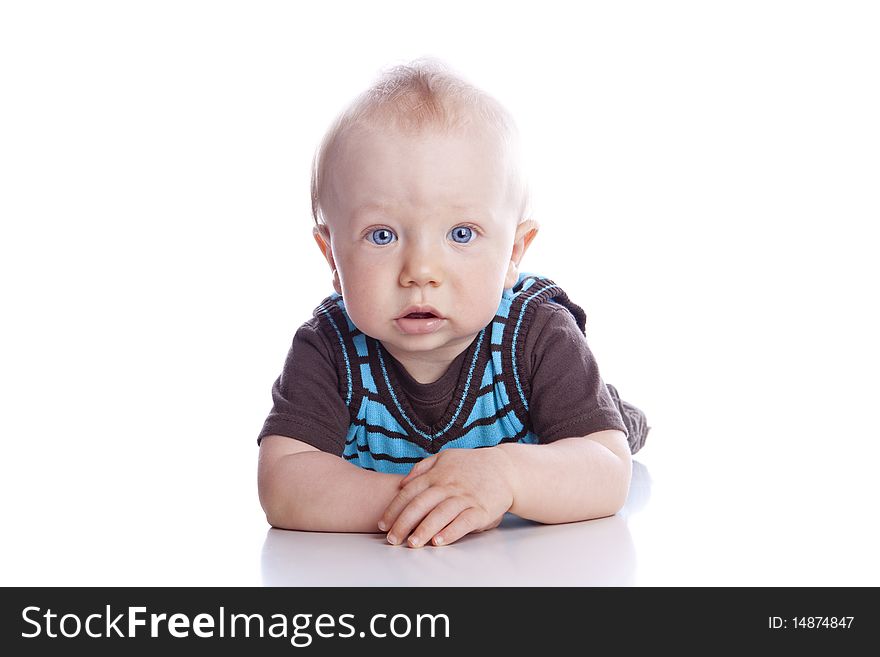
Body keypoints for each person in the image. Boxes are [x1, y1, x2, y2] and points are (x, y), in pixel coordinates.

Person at [257, 58, 649, 548]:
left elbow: (608, 470)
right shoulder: (328, 349)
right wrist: (431, 497)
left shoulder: (538, 336)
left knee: (606, 427)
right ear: (331, 257)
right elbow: (284, 484)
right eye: (382, 235)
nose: (420, 270)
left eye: (461, 234)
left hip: (542, 432)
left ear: (512, 254)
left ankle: (615, 409)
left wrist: (505, 478)